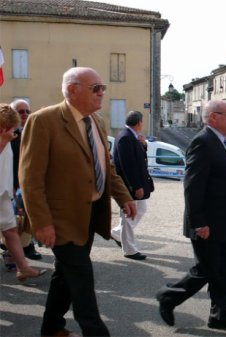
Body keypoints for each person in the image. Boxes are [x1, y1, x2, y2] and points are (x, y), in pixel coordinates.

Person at [19, 67, 136, 337]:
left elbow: (107, 168)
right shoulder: (43, 120)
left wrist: (123, 196)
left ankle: (51, 328)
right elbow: (30, 178)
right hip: (59, 220)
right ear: (72, 90)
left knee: (65, 275)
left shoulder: (96, 121)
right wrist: (42, 223)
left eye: (102, 87)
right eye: (96, 88)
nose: (102, 93)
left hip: (89, 215)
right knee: (82, 279)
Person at [155, 100, 226, 330]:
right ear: (213, 117)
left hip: (224, 222)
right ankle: (168, 296)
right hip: (207, 223)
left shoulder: (222, 142)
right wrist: (199, 222)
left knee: (224, 271)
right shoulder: (203, 142)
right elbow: (193, 186)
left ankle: (220, 315)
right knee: (205, 270)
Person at [0, 104, 46, 282]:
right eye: (11, 127)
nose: (14, 130)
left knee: (11, 231)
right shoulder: (6, 138)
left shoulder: (11, 137)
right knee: (10, 231)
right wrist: (4, 140)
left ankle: (23, 268)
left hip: (4, 192)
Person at [110, 110, 154, 260]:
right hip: (129, 185)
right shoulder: (125, 137)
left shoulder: (132, 137)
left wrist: (143, 145)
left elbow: (138, 158)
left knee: (141, 209)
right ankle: (129, 249)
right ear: (139, 123)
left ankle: (117, 233)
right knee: (129, 214)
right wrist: (135, 186)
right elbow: (127, 165)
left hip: (136, 183)